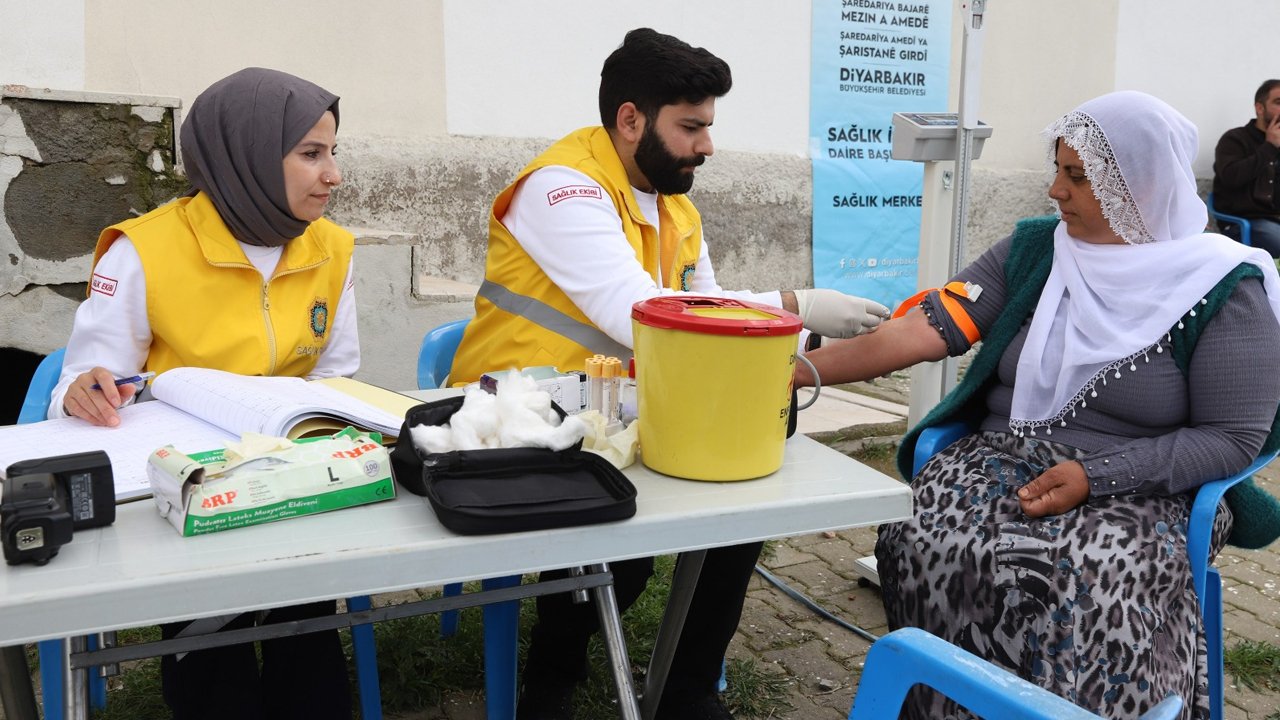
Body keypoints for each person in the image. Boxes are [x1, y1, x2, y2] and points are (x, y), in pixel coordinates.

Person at [450, 28, 890, 720]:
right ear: (630, 120)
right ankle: (552, 676)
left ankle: (685, 690)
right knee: (617, 542)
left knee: (741, 515)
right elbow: (643, 315)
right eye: (691, 126)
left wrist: (788, 345)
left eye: (708, 126)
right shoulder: (561, 189)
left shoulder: (676, 202)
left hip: (624, 408)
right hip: (524, 412)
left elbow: (713, 319)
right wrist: (795, 305)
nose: (707, 146)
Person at [798, 91, 1280, 719]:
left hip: (1147, 483)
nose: (1055, 190)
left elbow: (1232, 438)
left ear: (1136, 186)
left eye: (1077, 177)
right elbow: (920, 331)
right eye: (1057, 168)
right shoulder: (1036, 250)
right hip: (1001, 458)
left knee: (1076, 578)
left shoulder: (1222, 285)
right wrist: (796, 371)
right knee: (920, 535)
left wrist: (1095, 477)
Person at [50, 67, 358, 720]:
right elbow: (79, 388)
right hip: (182, 508)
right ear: (242, 154)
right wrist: (83, 392)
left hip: (292, 491)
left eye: (332, 152)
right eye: (310, 153)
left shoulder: (332, 249)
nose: (333, 175)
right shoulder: (145, 252)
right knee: (214, 679)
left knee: (309, 654)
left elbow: (337, 380)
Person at [1212, 78, 1280, 257]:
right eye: (1278, 102)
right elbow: (1231, 177)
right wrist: (1270, 147)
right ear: (1260, 108)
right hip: (1243, 223)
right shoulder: (1235, 139)